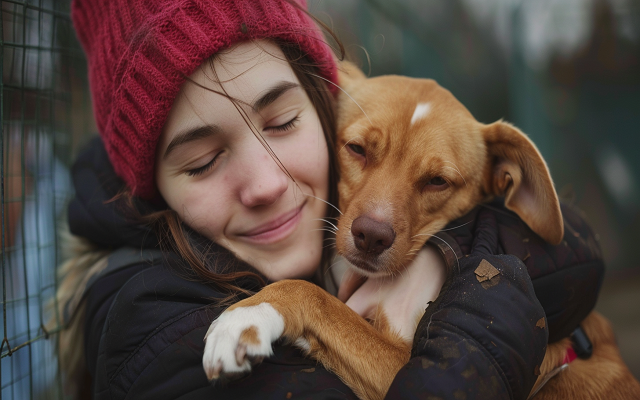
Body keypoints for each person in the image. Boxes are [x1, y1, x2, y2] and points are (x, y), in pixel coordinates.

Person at [56, 0, 604, 399]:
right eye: (202, 162)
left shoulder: (329, 224)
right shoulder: (151, 328)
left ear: (319, 109)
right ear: (150, 180)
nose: (377, 219)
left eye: (285, 121)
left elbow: (564, 239)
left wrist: (446, 256)